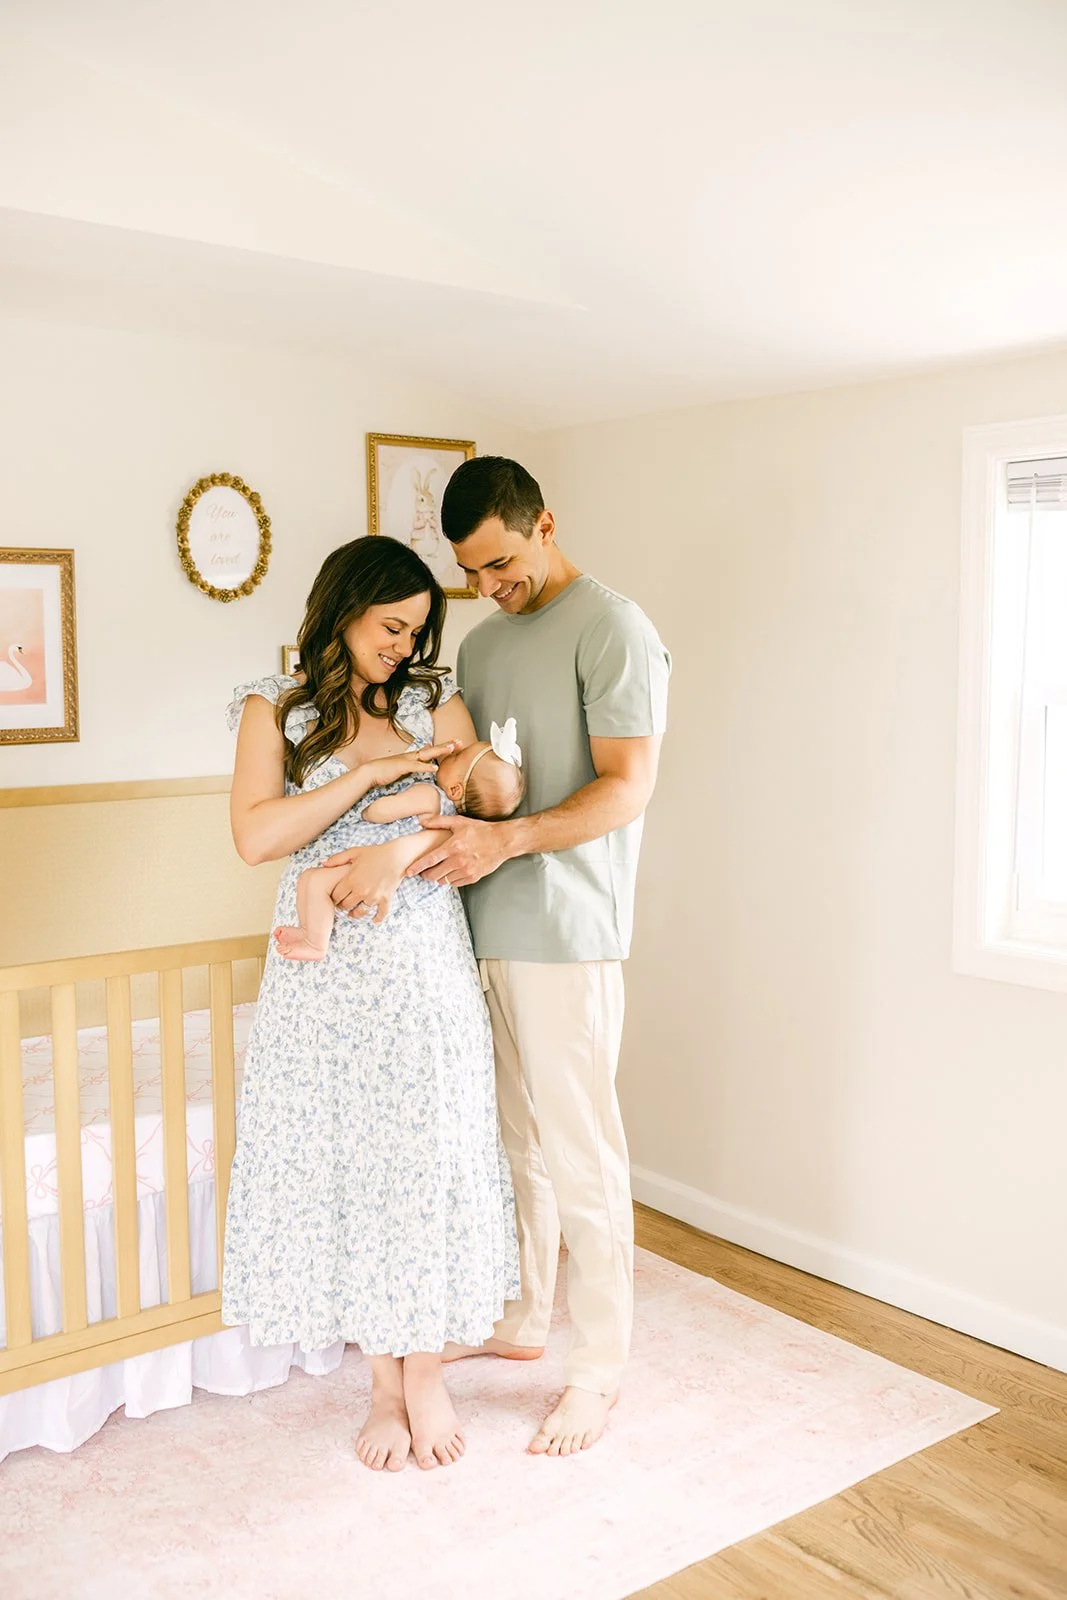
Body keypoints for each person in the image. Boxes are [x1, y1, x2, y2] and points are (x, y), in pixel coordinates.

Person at [322, 458, 670, 1458]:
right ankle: (523, 1316)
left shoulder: (612, 626)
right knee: (509, 1143)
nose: (487, 588)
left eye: (502, 564)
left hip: (566, 931)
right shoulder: (479, 640)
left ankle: (596, 1370)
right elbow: (460, 775)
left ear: (545, 523)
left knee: (580, 1150)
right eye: (471, 572)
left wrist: (505, 843)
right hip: (474, 926)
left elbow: (625, 786)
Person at [224, 535, 519, 1474]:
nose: (403, 645)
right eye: (391, 626)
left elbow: (484, 804)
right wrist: (358, 780)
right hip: (324, 985)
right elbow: (256, 836)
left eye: (417, 630)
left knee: (423, 1162)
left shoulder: (435, 702)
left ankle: (425, 1375)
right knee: (351, 1171)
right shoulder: (276, 707)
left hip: (421, 964)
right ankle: (382, 1389)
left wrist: (396, 845)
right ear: (343, 607)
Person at [273, 723, 525, 962]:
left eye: (458, 758)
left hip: (372, 866)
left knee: (314, 881)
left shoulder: (430, 794)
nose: (451, 754)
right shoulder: (453, 821)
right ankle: (309, 932)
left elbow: (380, 812)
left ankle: (315, 942)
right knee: (311, 881)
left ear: (456, 790)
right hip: (402, 886)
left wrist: (376, 805)